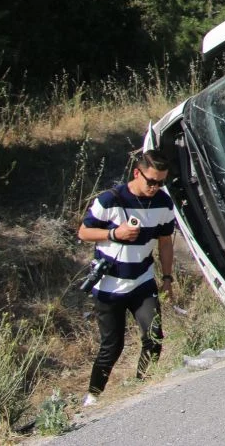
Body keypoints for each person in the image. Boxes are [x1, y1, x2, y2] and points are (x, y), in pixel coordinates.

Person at [78, 149, 177, 405]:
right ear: (137, 173)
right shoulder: (109, 200)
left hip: (142, 281)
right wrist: (113, 235)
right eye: (151, 181)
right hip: (109, 286)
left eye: (161, 182)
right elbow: (83, 232)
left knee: (153, 337)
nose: (155, 187)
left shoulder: (164, 204)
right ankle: (93, 397)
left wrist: (167, 277)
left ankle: (142, 392)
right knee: (113, 347)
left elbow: (165, 242)